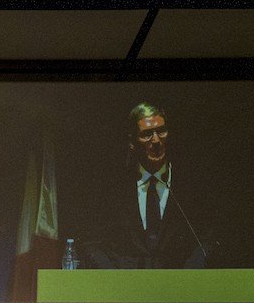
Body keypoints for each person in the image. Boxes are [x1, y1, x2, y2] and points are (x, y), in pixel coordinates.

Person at [90, 102, 210, 271]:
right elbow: (95, 245)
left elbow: (205, 241)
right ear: (132, 142)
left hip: (180, 287)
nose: (156, 140)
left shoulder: (189, 186)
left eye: (161, 131)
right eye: (146, 134)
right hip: (125, 288)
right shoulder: (113, 188)